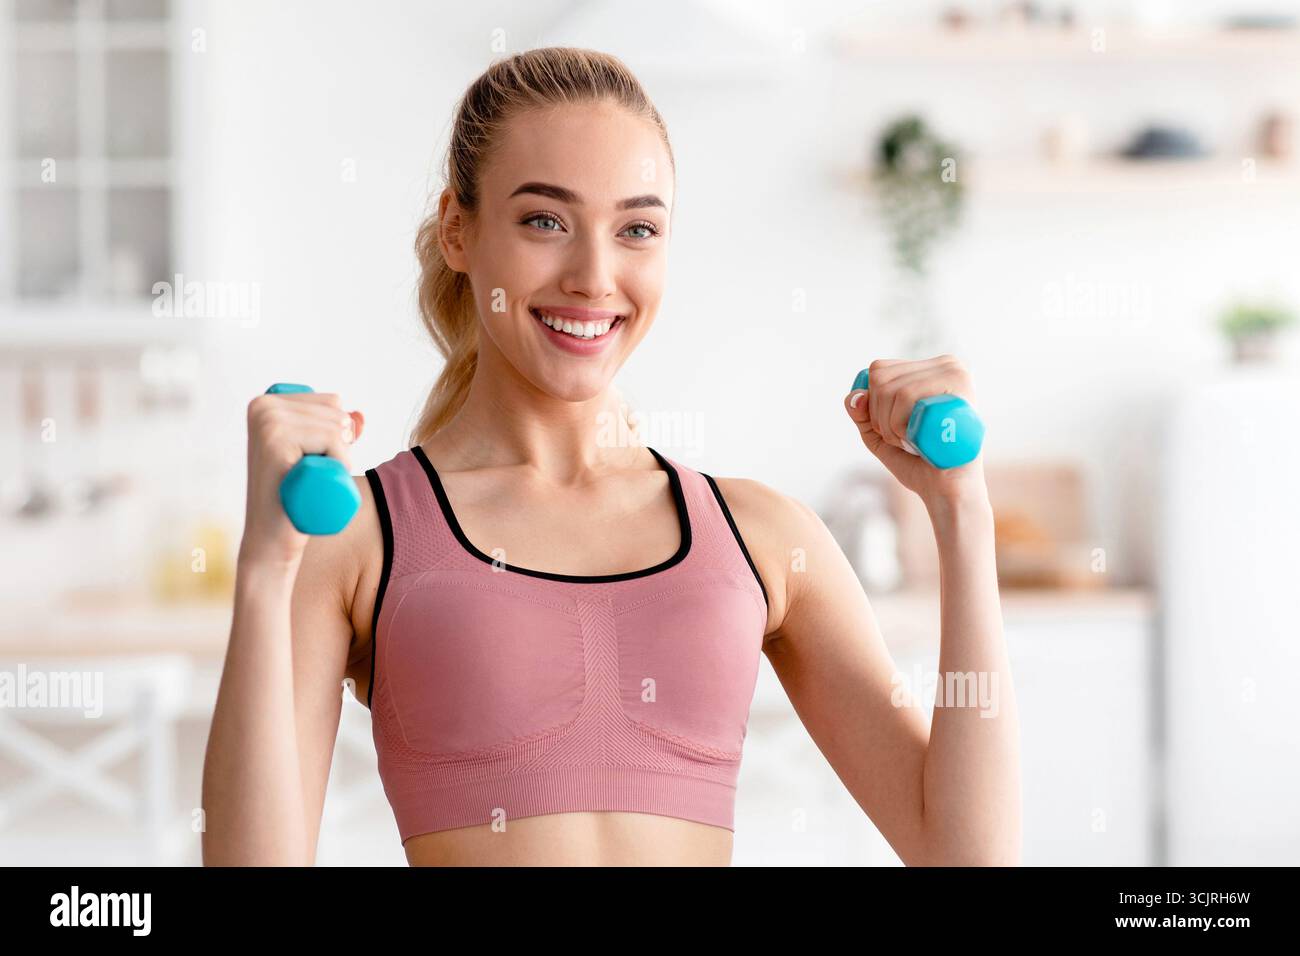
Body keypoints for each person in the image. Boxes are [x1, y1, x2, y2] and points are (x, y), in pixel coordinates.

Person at [201, 47, 1019, 867]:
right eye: (545, 221)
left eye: (636, 229)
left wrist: (962, 512)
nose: (595, 277)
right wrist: (266, 568)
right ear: (458, 230)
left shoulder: (764, 537)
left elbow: (966, 857)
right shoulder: (360, 540)